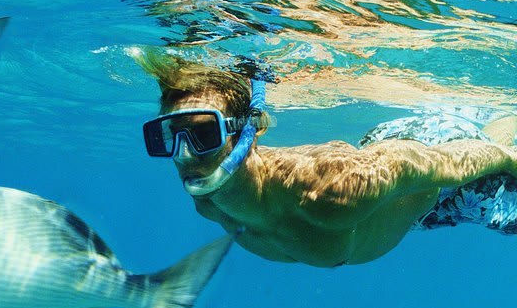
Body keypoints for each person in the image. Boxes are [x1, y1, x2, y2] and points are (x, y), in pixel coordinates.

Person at [132, 47, 517, 268]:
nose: (184, 155)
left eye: (203, 133)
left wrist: (507, 156)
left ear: (251, 129)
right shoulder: (212, 206)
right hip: (412, 212)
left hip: (441, 167)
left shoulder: (331, 191)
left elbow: (444, 164)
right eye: (166, 136)